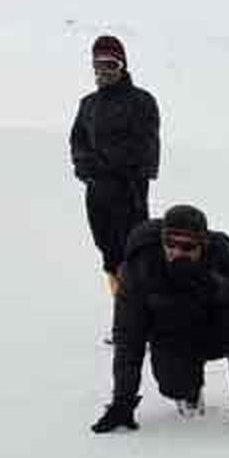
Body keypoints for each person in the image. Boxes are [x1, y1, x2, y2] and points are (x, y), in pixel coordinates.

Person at [91, 204, 229, 437]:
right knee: (175, 386)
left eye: (187, 246)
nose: (177, 252)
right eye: (170, 244)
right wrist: (122, 402)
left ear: (203, 244)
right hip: (171, 336)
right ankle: (189, 391)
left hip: (213, 329)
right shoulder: (140, 266)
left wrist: (215, 285)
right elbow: (128, 337)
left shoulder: (220, 249)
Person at [70, 35, 161, 304]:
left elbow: (146, 147)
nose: (103, 71)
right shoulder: (88, 105)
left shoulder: (142, 101)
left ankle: (142, 320)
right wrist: (86, 169)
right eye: (98, 65)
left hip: (129, 192)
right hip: (97, 194)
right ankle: (123, 314)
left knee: (135, 252)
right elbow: (78, 141)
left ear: (122, 65)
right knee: (109, 254)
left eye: (110, 64)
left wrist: (115, 169)